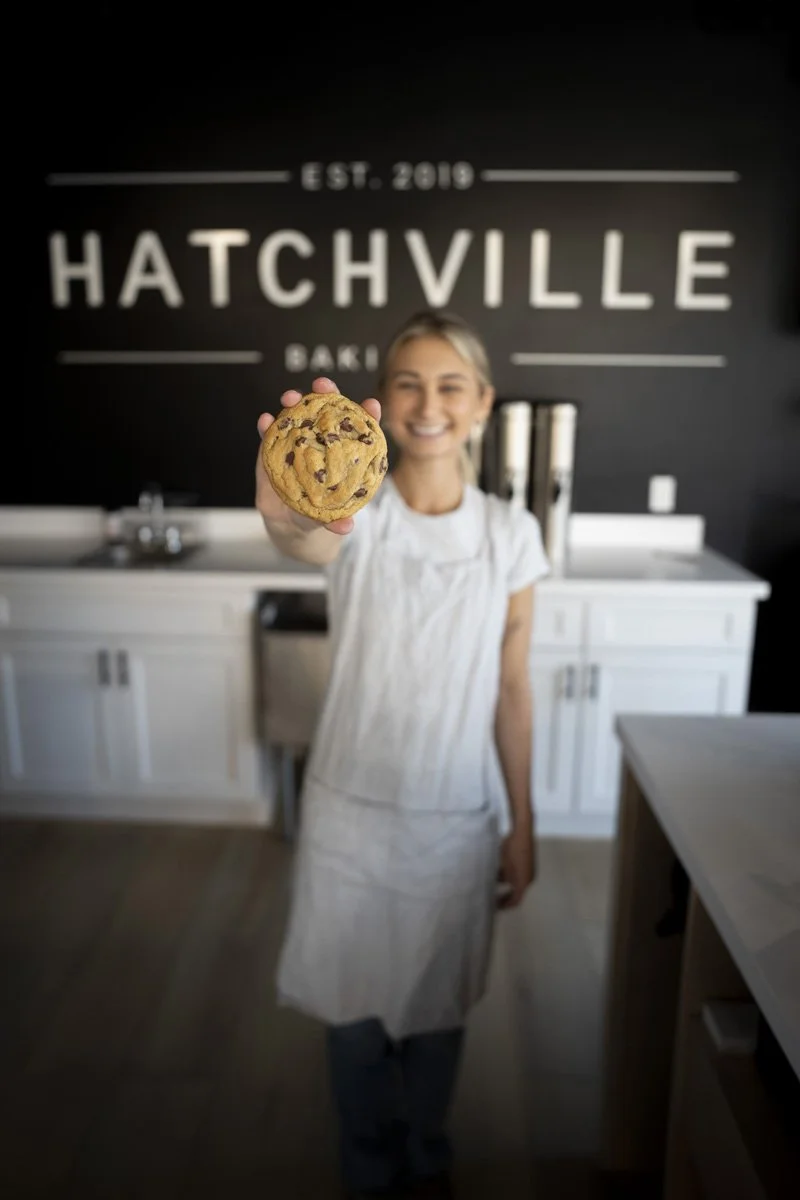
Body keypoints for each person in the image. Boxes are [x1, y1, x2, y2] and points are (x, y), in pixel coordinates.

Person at [254, 311, 550, 1199]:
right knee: (351, 1019)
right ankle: (367, 1167)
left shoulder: (511, 533)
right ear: (381, 403)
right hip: (349, 813)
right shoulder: (358, 515)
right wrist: (286, 508)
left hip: (457, 819)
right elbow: (306, 536)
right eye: (409, 383)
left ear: (483, 403)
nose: (429, 404)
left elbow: (512, 688)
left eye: (450, 383)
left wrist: (522, 820)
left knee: (436, 1013)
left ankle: (426, 1157)